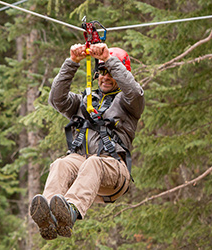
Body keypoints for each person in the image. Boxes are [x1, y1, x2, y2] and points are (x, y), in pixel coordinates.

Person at [29, 43, 145, 240]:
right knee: (61, 164)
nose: (106, 77)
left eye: (111, 73)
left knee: (93, 163)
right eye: (102, 71)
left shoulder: (129, 103)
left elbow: (135, 92)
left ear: (120, 74)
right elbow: (57, 99)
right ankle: (49, 216)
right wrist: (72, 62)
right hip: (84, 168)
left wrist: (109, 59)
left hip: (114, 169)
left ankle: (71, 211)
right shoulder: (84, 101)